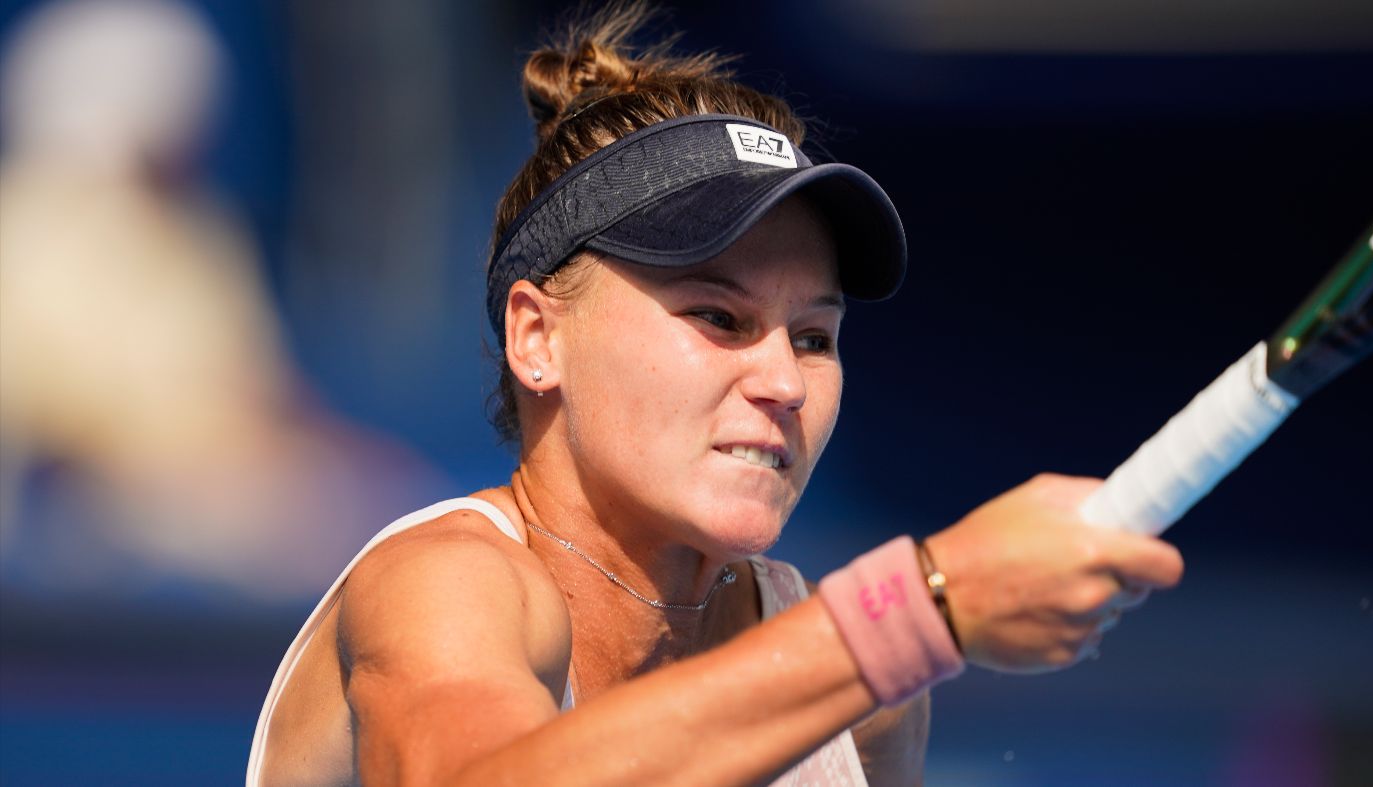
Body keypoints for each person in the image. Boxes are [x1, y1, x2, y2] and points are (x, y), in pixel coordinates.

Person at [248, 5, 1183, 785]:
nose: (784, 382)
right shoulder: (443, 582)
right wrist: (922, 609)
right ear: (537, 337)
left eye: (813, 337)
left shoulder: (865, 705)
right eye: (718, 317)